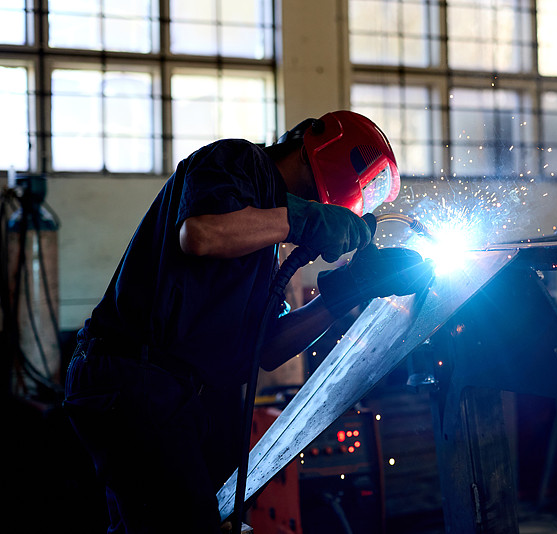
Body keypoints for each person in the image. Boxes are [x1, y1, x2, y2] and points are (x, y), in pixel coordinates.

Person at [63, 110, 434, 534]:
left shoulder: (264, 245)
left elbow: (271, 347)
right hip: (128, 375)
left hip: (163, 390)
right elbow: (200, 234)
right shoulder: (237, 163)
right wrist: (303, 221)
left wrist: (346, 293)